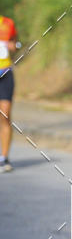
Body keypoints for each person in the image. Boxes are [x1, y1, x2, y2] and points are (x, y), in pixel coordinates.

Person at [0, 14, 20, 173]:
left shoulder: (8, 23)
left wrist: (13, 45)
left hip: (5, 72)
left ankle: (4, 158)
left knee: (5, 115)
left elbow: (15, 45)